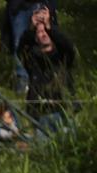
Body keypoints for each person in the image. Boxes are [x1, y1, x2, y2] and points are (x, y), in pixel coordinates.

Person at [17, 3, 76, 136]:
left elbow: (68, 46)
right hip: (41, 115)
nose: (43, 34)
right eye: (39, 32)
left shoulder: (63, 56)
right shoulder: (31, 59)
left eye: (45, 31)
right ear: (35, 38)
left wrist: (49, 27)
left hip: (64, 112)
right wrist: (32, 28)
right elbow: (20, 49)